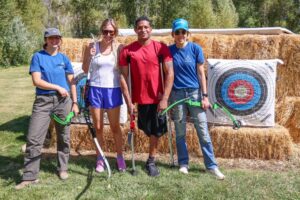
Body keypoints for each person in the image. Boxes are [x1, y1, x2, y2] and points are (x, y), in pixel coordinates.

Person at [15, 28, 79, 190]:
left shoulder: (64, 59)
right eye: (51, 38)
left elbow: (72, 83)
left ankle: (63, 168)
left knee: (64, 136)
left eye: (57, 38)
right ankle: (30, 175)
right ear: (46, 39)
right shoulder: (38, 57)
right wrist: (57, 87)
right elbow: (36, 81)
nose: (55, 40)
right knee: (34, 138)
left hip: (63, 102)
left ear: (60, 40)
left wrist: (76, 102)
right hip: (43, 101)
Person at [168, 18, 225, 179]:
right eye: (177, 32)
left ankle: (211, 166)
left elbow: (201, 73)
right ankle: (183, 164)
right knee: (180, 132)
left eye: (183, 32)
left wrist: (205, 96)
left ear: (188, 34)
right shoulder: (169, 50)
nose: (180, 35)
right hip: (177, 94)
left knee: (203, 130)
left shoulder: (195, 49)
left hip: (194, 94)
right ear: (173, 34)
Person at [119, 16, 174, 177]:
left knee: (155, 131)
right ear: (135, 30)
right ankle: (147, 158)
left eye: (146, 27)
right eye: (140, 27)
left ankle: (151, 160)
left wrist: (164, 98)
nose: (143, 30)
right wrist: (129, 102)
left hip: (157, 99)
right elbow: (123, 77)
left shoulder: (161, 48)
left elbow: (170, 73)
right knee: (146, 129)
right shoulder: (127, 51)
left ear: (151, 29)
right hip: (140, 99)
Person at [82, 18, 127, 173]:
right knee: (99, 127)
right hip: (95, 90)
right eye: (105, 31)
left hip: (113, 90)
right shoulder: (91, 46)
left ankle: (120, 157)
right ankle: (100, 158)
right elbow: (84, 68)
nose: (108, 34)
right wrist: (89, 55)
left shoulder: (119, 48)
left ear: (115, 32)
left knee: (115, 127)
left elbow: (124, 71)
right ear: (101, 31)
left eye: (111, 32)